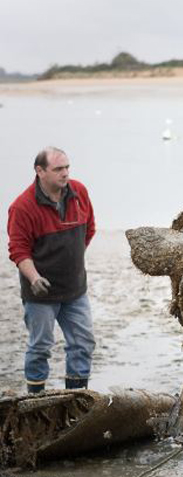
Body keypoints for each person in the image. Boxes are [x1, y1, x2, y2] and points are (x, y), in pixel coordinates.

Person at [7, 147, 97, 393]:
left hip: (75, 290)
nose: (65, 173)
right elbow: (18, 250)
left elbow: (89, 229)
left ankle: (76, 397)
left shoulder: (79, 192)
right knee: (41, 346)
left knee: (83, 343)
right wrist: (34, 278)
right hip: (41, 294)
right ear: (40, 171)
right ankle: (36, 399)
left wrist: (73, 260)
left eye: (67, 167)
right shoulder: (22, 207)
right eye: (58, 169)